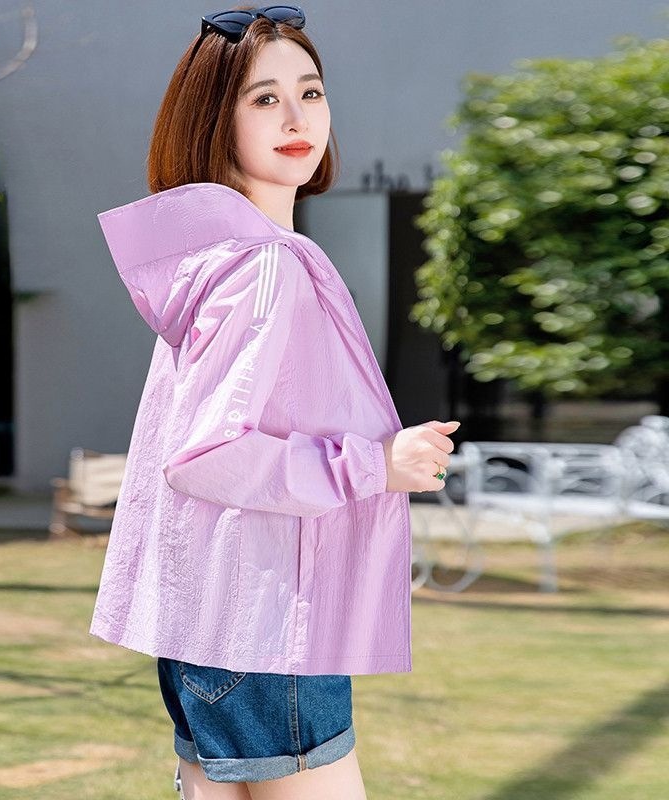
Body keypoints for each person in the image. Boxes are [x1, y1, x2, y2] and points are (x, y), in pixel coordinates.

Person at [90, 5, 460, 799]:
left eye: (311, 92)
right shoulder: (262, 265)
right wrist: (376, 463)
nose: (298, 118)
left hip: (213, 621)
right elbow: (207, 453)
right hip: (268, 624)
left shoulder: (213, 258)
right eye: (265, 98)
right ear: (213, 119)